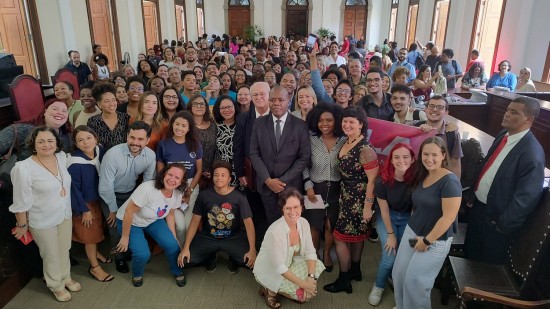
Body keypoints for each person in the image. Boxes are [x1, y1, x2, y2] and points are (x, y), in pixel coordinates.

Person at [464, 96, 545, 264]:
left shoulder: (532, 153)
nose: (506, 114)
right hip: (479, 210)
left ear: (528, 119)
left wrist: (502, 225)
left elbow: (525, 199)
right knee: (469, 257)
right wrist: (473, 194)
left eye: (513, 112)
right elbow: (486, 165)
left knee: (486, 269)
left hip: (496, 222)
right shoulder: (503, 135)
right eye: (507, 109)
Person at [10, 126, 81, 302]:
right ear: (33, 144)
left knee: (65, 248)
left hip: (64, 214)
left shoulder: (61, 157)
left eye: (50, 141)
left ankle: (66, 277)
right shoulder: (23, 168)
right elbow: (20, 201)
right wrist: (22, 225)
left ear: (57, 143)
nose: (46, 145)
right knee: (51, 253)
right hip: (42, 219)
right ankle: (55, 284)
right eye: (40, 141)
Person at [392, 136, 462, 309]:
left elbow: (449, 217)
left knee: (415, 282)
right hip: (413, 229)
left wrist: (427, 240)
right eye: (425, 154)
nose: (429, 159)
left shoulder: (450, 182)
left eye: (434, 155)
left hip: (434, 239)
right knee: (399, 274)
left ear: (443, 155)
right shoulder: (424, 173)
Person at [323, 106, 379, 294]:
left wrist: (367, 208)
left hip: (359, 199)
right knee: (356, 238)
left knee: (339, 238)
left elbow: (372, 180)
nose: (347, 125)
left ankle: (343, 279)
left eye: (352, 122)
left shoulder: (365, 148)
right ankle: (355, 270)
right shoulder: (346, 141)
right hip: (346, 194)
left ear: (361, 125)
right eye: (345, 121)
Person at [178, 161, 256, 276]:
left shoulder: (239, 197)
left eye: (223, 175)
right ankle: (210, 255)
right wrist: (186, 247)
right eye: (216, 175)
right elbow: (194, 222)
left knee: (253, 262)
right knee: (184, 261)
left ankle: (233, 257)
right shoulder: (204, 195)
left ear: (230, 179)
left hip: (233, 237)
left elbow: (249, 225)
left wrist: (252, 249)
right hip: (209, 237)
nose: (219, 178)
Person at [115, 163, 187, 287]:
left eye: (177, 177)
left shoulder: (177, 193)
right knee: (142, 254)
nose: (172, 179)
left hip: (153, 220)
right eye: (170, 174)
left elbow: (170, 215)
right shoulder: (147, 189)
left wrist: (173, 237)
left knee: (172, 245)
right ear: (163, 174)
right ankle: (137, 274)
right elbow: (129, 211)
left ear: (181, 182)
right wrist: (125, 237)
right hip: (131, 221)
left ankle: (177, 271)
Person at [98, 121, 156, 273]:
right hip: (111, 195)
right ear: (127, 136)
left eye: (140, 139)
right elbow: (105, 187)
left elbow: (148, 182)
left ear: (148, 140)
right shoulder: (112, 155)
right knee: (115, 228)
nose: (135, 142)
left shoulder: (150, 155)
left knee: (133, 223)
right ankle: (120, 258)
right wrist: (112, 209)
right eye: (132, 137)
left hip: (132, 193)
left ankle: (130, 251)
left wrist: (141, 202)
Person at [249, 86, 311, 225]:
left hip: (291, 185)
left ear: (288, 101)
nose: (276, 103)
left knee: (292, 223)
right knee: (273, 224)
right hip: (267, 186)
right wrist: (268, 180)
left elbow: (304, 157)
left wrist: (281, 181)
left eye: (281, 100)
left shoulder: (300, 125)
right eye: (272, 100)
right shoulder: (259, 123)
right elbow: (254, 153)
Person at [254, 188, 325, 307]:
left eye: (296, 207)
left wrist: (310, 279)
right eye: (288, 208)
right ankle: (268, 289)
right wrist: (305, 285)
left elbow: (310, 252)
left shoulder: (303, 223)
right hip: (271, 271)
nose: (293, 212)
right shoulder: (275, 232)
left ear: (302, 207)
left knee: (316, 264)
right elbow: (280, 268)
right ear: (282, 209)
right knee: (302, 296)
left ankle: (289, 289)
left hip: (290, 263)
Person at [368, 143, 416, 306]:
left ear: (412, 159)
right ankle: (379, 286)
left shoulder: (418, 180)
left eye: (405, 157)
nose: (401, 160)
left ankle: (396, 281)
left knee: (403, 257)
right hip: (387, 217)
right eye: (396, 157)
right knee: (389, 257)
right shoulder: (382, 181)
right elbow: (384, 211)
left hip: (408, 219)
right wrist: (390, 235)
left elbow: (415, 209)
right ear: (391, 160)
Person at [303, 103, 345, 273]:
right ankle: (314, 255)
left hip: (335, 189)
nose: (325, 124)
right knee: (314, 226)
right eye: (320, 120)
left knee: (330, 225)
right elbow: (303, 165)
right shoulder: (310, 140)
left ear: (337, 121)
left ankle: (327, 253)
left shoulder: (344, 140)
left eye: (329, 120)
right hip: (315, 189)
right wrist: (308, 186)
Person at [67, 126, 113, 283]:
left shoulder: (100, 150)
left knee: (99, 228)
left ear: (96, 138)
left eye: (88, 138)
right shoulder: (74, 163)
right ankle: (94, 267)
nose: (85, 142)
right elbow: (74, 190)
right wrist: (84, 210)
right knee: (90, 235)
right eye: (80, 140)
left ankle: (96, 253)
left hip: (98, 198)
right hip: (84, 203)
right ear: (76, 143)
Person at [156, 111, 202, 244]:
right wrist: (167, 188)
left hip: (190, 185)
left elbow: (199, 170)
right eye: (177, 124)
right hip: (171, 186)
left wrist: (190, 190)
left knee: (189, 226)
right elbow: (160, 168)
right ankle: (179, 251)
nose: (179, 128)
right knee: (180, 227)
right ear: (172, 125)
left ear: (189, 128)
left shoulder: (195, 145)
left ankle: (188, 251)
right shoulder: (163, 144)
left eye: (183, 125)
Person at [0, 101, 72, 160]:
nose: (60, 113)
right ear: (45, 112)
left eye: (64, 111)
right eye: (55, 109)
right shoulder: (24, 130)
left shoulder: (66, 136)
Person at [416, 96, 463, 177]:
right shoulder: (416, 127)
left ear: (446, 112)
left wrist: (455, 186)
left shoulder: (452, 134)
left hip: (441, 180)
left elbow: (455, 165)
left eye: (440, 107)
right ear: (425, 110)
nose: (434, 109)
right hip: (417, 178)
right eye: (431, 106)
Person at [87, 82, 131, 150]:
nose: (112, 104)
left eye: (113, 100)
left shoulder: (126, 118)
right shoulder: (93, 121)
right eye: (107, 101)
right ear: (99, 104)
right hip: (102, 158)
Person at [187, 94, 218, 187]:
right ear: (190, 107)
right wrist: (201, 170)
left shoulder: (213, 125)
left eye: (202, 104)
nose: (199, 106)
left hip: (211, 172)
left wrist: (212, 169)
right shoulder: (186, 125)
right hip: (192, 172)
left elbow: (216, 149)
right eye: (195, 104)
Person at [213, 95, 240, 187]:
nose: (226, 110)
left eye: (229, 107)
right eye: (223, 108)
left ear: (235, 107)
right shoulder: (215, 127)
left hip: (240, 171)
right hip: (221, 173)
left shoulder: (242, 125)